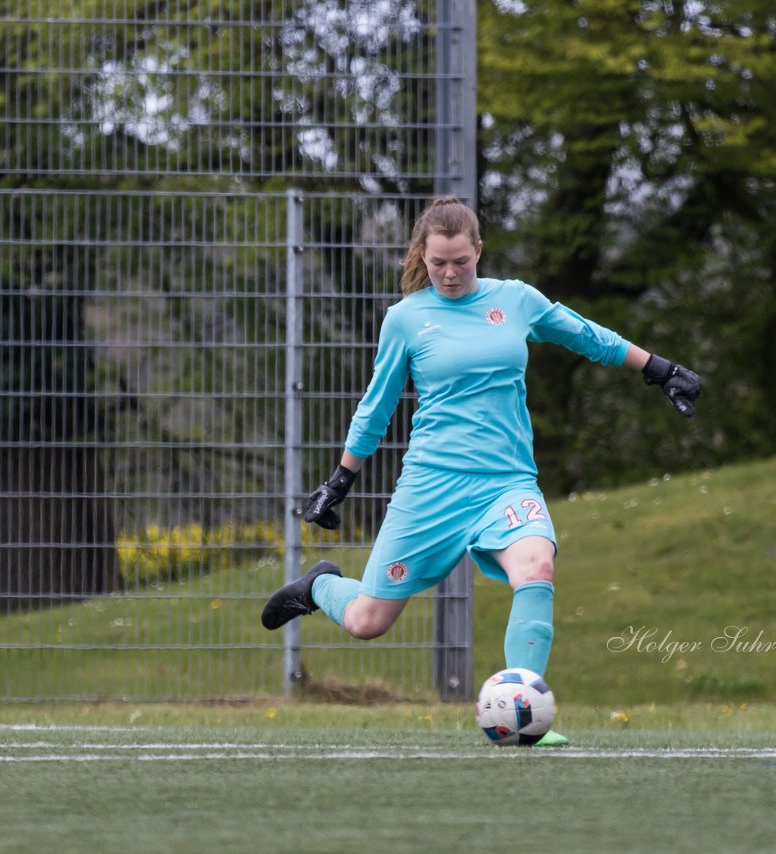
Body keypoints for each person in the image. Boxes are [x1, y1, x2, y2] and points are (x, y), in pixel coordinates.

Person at [261, 196, 701, 746]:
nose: (449, 273)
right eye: (439, 262)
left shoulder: (515, 301)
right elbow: (376, 407)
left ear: (479, 252)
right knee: (367, 622)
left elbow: (587, 335)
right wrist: (339, 481)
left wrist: (661, 371)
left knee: (537, 565)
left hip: (506, 483)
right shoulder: (405, 319)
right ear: (423, 254)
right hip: (431, 489)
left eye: (461, 262)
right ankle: (320, 585)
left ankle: (528, 713)